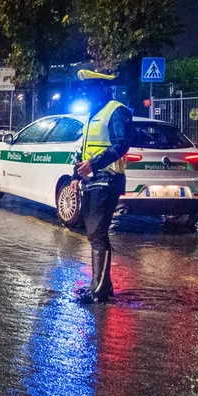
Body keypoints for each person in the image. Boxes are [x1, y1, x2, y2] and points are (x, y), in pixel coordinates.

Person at [70, 70, 133, 304]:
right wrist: (75, 176)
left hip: (108, 179)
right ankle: (102, 286)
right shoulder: (92, 114)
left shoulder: (117, 111)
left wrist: (94, 164)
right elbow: (84, 150)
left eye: (89, 90)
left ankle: (98, 289)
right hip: (91, 180)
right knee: (94, 233)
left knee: (97, 233)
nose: (85, 95)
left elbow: (122, 144)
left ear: (103, 89)